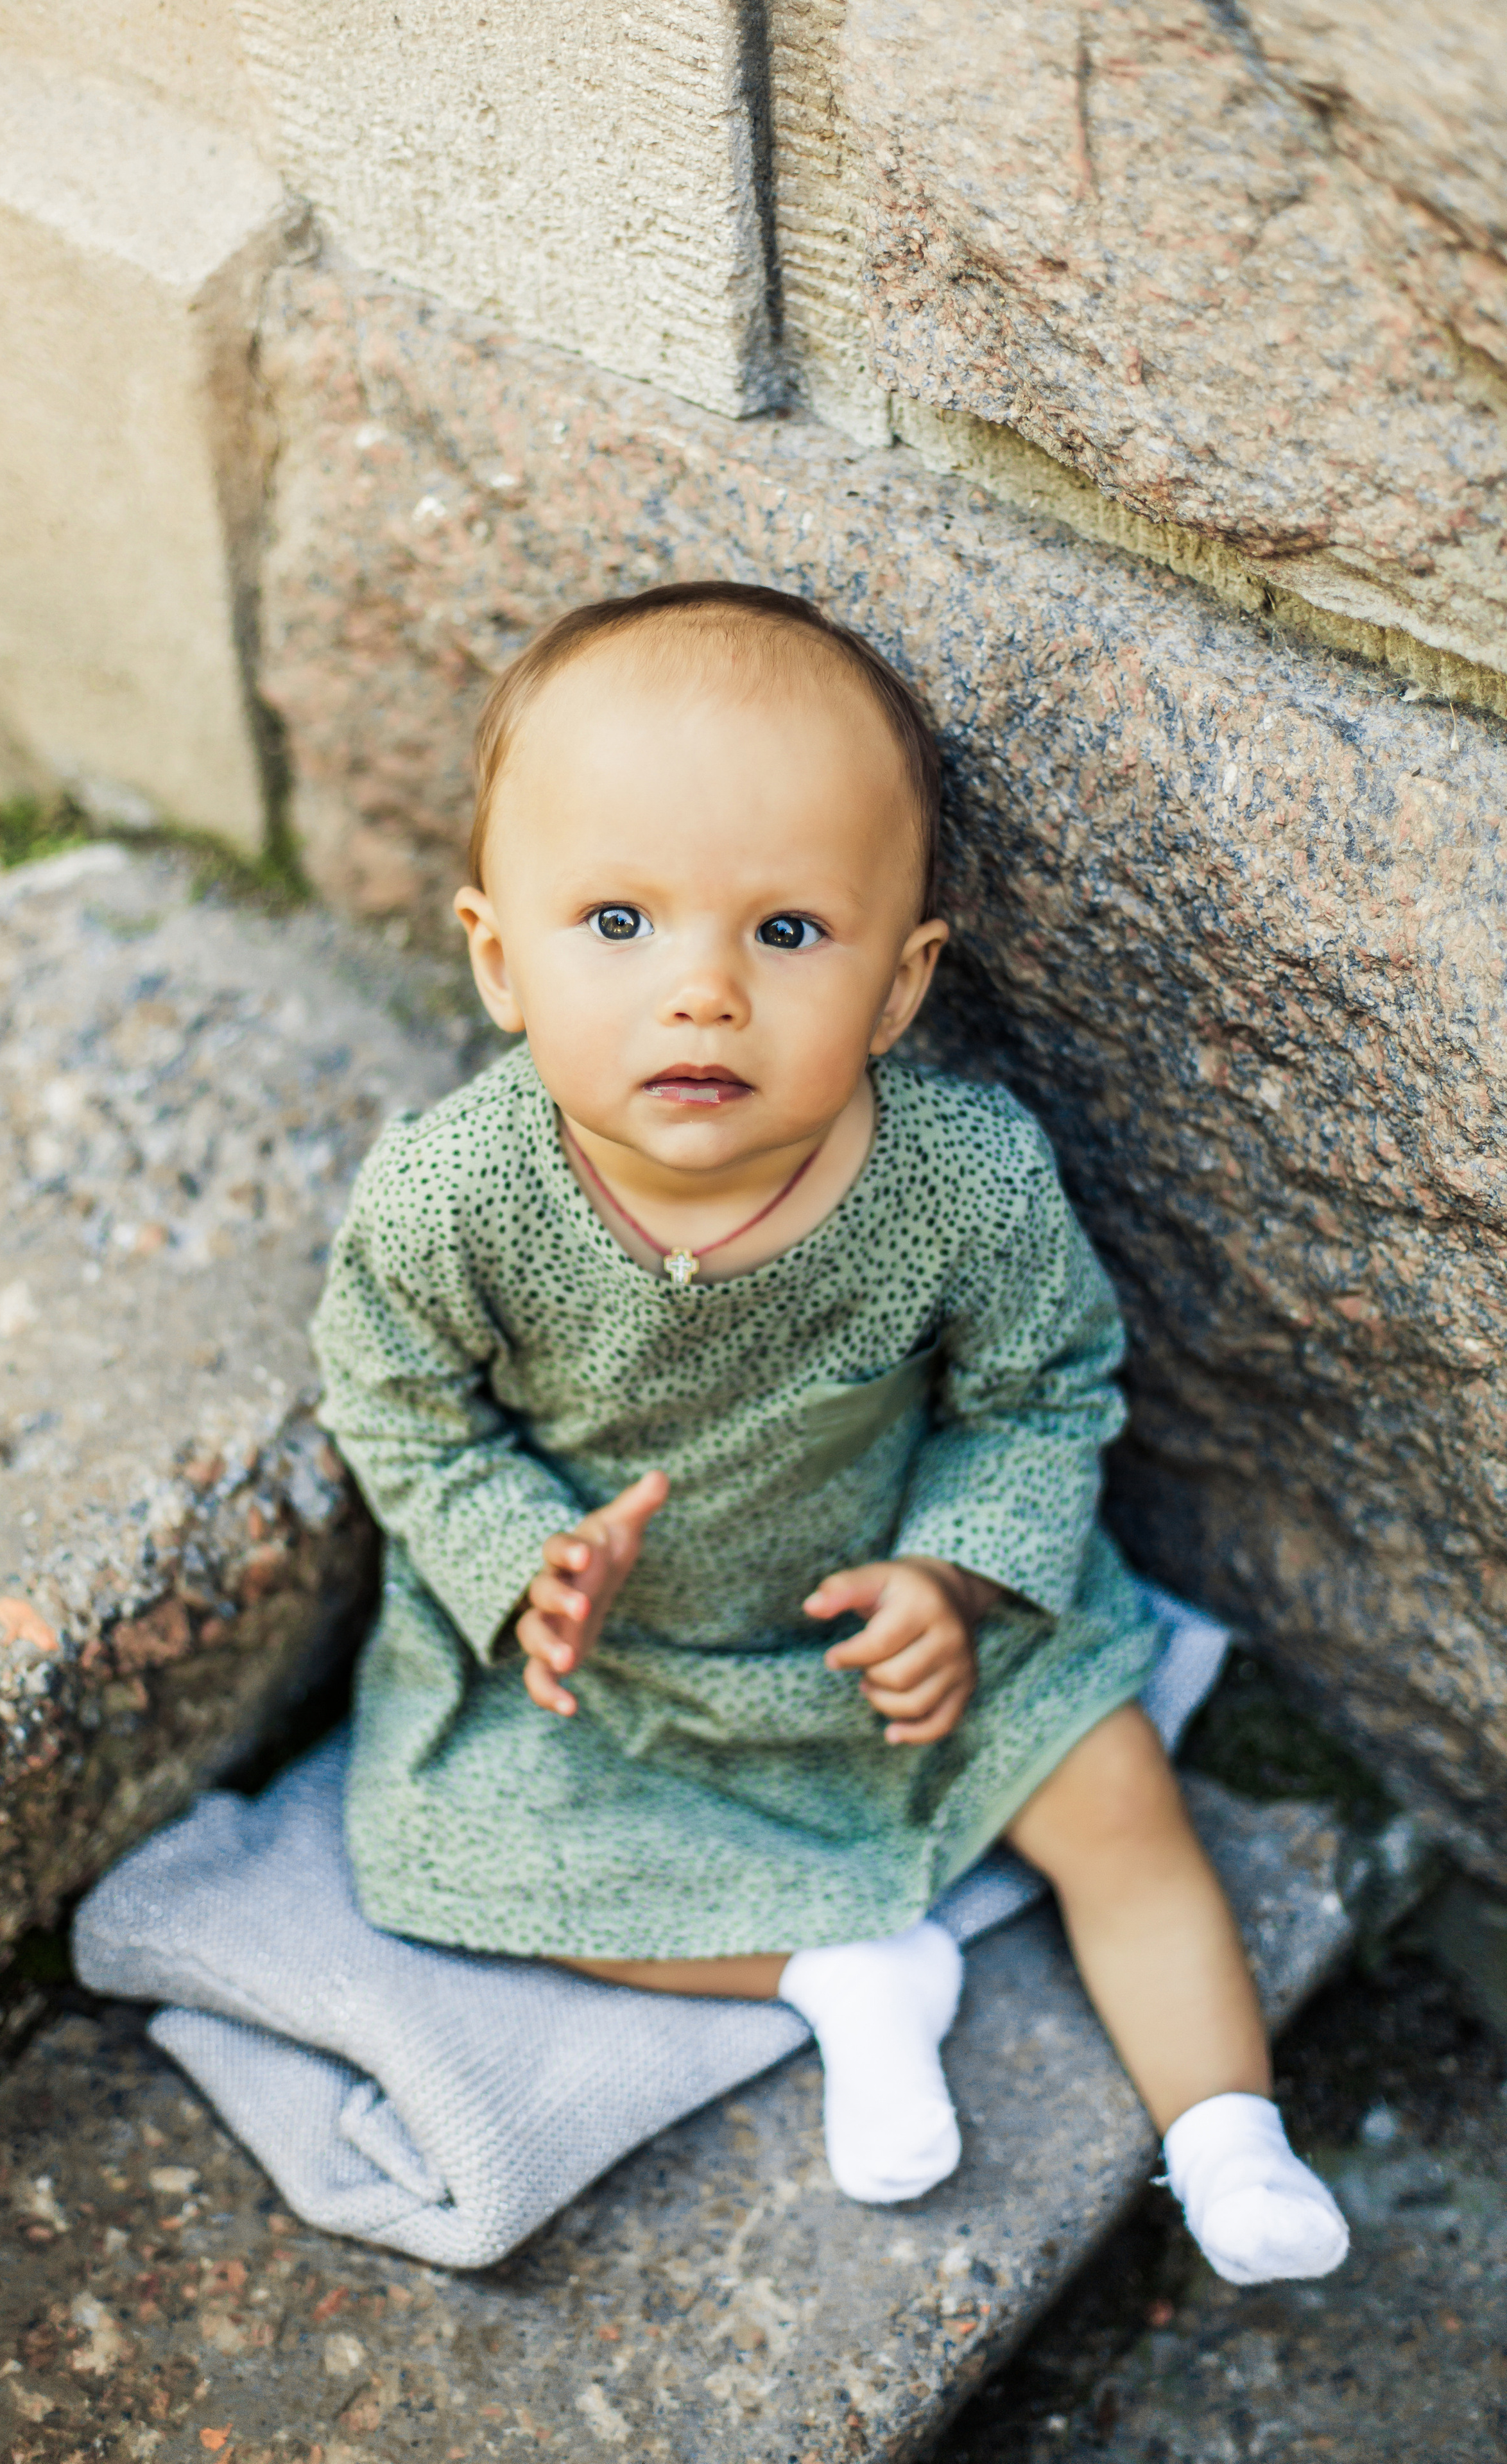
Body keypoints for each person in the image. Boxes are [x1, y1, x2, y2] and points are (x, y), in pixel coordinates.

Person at [312, 580, 1347, 2285]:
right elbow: (399, 1405)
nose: (703, 992)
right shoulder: (456, 1198)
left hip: (902, 1610)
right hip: (636, 1654)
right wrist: (526, 1563)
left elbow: (1042, 1391)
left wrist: (959, 1576)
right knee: (453, 1845)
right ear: (499, 958)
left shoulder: (962, 1179)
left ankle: (1231, 2140)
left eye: (788, 933)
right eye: (620, 923)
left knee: (1118, 1798)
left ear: (897, 983)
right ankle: (839, 1977)